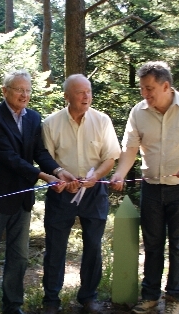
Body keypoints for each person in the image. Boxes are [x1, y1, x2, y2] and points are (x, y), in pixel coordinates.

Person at [110, 61, 179, 314]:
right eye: (142, 89)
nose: (144, 94)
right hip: (151, 188)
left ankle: (174, 300)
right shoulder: (138, 112)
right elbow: (130, 149)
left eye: (149, 89)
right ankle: (150, 297)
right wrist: (120, 173)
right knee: (152, 245)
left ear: (166, 86)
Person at [0, 69, 76, 314]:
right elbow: (8, 157)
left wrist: (59, 171)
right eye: (19, 90)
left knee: (19, 256)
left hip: (23, 198)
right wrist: (43, 176)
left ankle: (13, 304)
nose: (24, 95)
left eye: (28, 90)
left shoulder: (33, 117)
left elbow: (39, 152)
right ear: (5, 91)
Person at [40, 74, 121, 314]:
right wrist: (61, 178)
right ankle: (51, 300)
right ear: (67, 96)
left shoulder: (102, 121)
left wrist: (97, 176)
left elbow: (110, 157)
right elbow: (46, 159)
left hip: (94, 191)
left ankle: (88, 298)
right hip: (62, 192)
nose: (86, 96)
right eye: (80, 92)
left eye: (89, 91)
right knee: (55, 247)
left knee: (93, 246)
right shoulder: (51, 123)